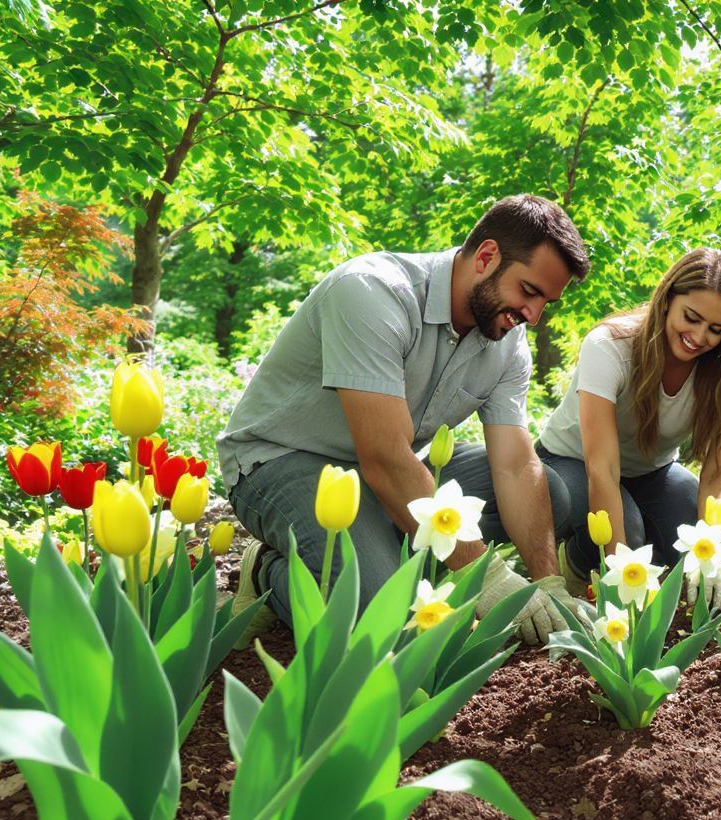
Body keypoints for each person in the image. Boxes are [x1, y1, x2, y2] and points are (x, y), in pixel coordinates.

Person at [219, 194, 589, 645]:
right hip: (283, 462)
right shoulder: (371, 292)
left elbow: (515, 465)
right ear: (486, 257)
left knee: (551, 492)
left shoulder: (507, 341)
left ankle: (380, 555)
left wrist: (547, 584)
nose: (533, 315)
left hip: (387, 475)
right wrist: (486, 575)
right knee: (383, 619)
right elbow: (386, 459)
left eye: (547, 301)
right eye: (529, 291)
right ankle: (267, 570)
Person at [536, 247, 721, 602]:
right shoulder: (610, 346)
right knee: (627, 537)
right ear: (667, 299)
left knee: (689, 539)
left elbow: (718, 474)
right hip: (570, 461)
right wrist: (621, 575)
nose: (699, 337)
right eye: (691, 318)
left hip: (651, 471)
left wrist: (710, 555)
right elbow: (602, 469)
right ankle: (575, 566)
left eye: (716, 330)